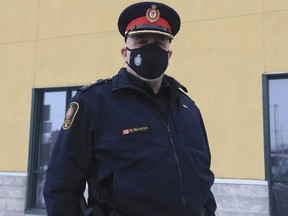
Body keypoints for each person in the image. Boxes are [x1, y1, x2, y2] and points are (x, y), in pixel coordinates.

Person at [43, 2, 217, 216]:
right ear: (125, 52)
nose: (151, 48)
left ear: (169, 54)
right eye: (142, 41)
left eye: (159, 43)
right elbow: (61, 185)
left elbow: (202, 178)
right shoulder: (94, 102)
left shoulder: (188, 108)